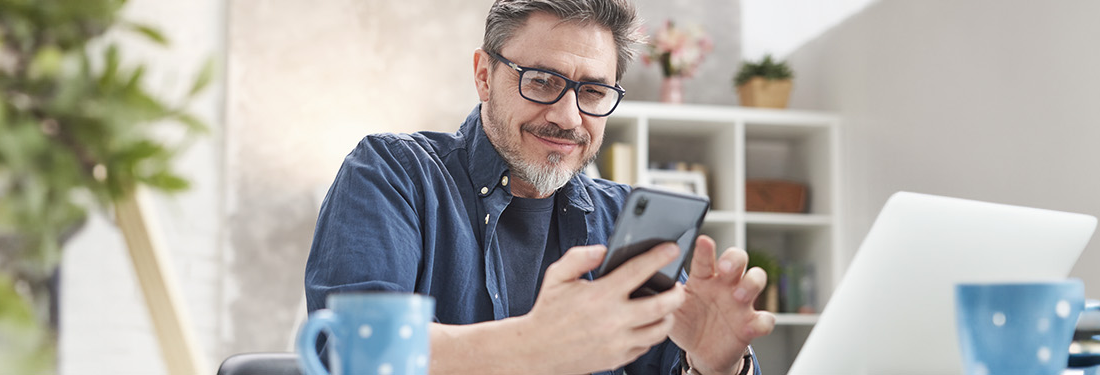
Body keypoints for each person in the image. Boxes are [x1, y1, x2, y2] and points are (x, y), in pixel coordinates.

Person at [304, 1, 774, 373]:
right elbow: (353, 353)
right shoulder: (393, 173)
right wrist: (535, 348)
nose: (568, 117)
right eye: (543, 81)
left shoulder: (622, 218)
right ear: (484, 76)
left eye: (592, 92)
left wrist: (716, 366)